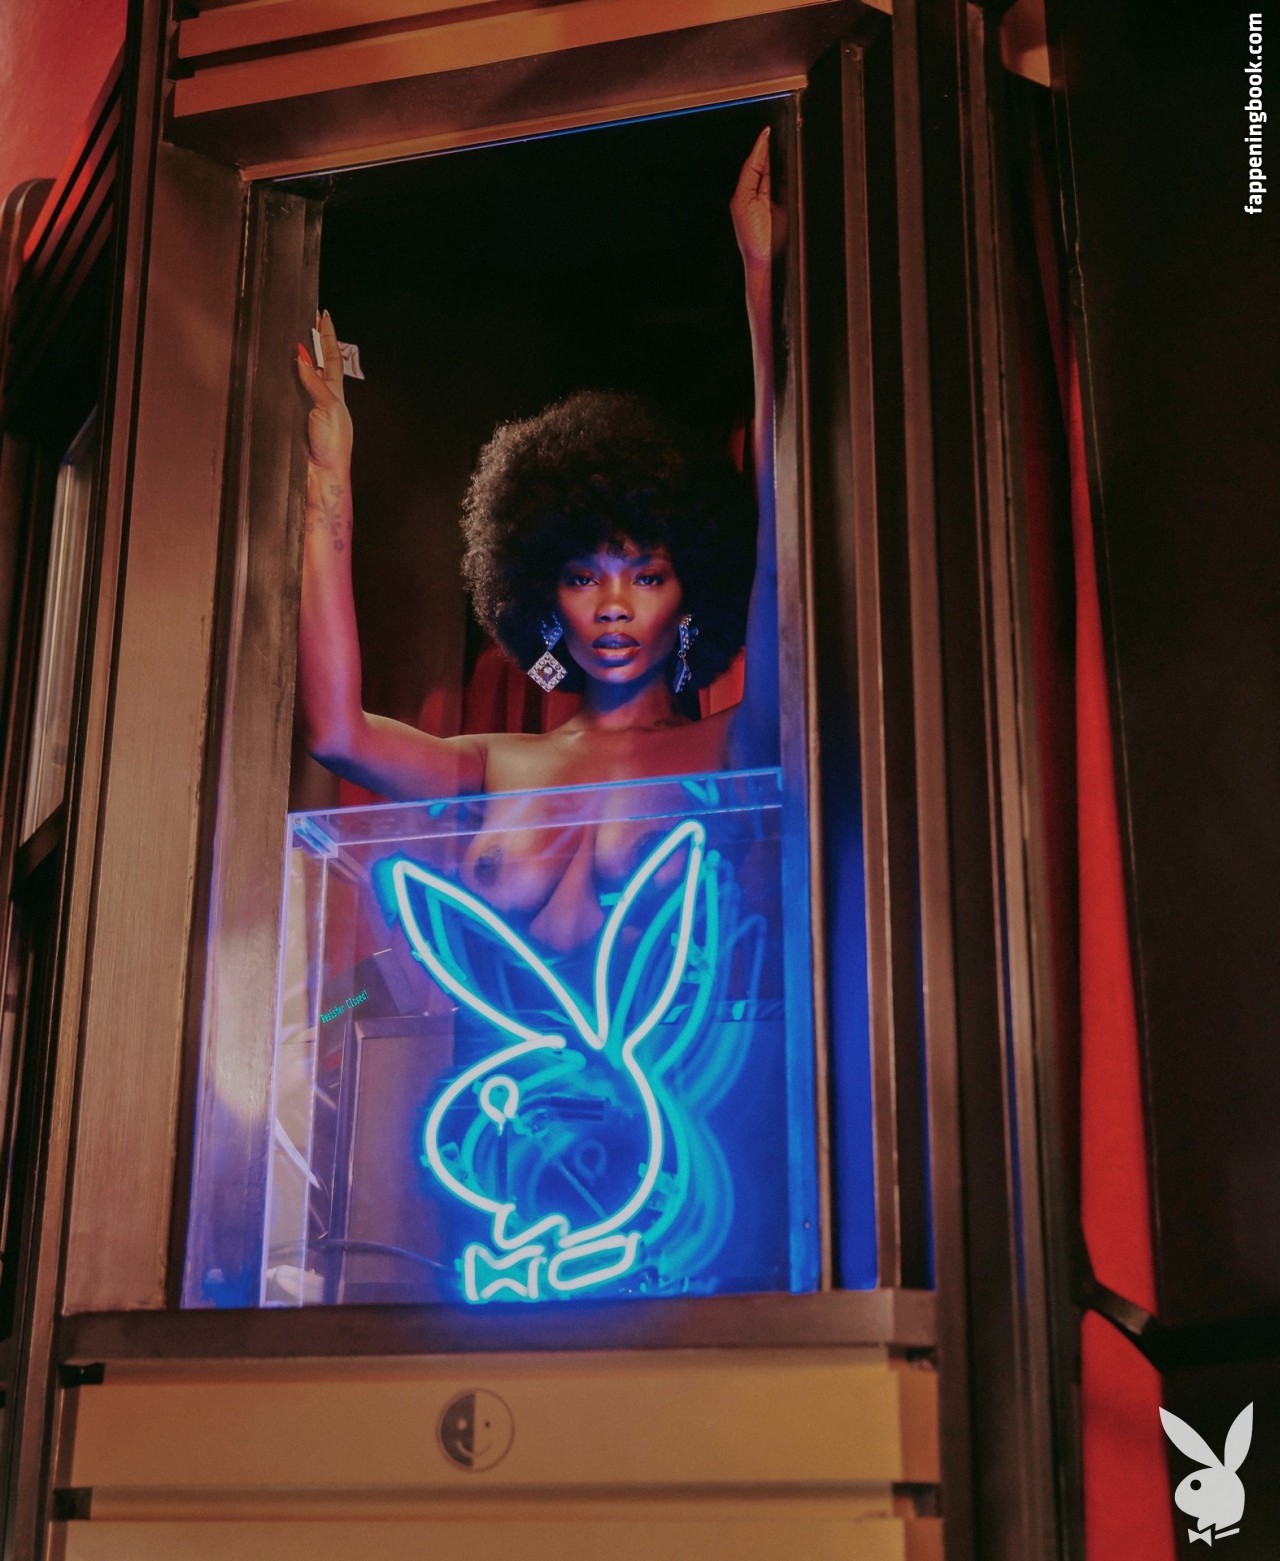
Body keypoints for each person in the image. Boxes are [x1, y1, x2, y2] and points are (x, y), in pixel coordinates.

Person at [296, 130, 781, 946]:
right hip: (486, 1041)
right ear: (543, 593)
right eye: (585, 577)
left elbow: (778, 541)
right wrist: (329, 476)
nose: (615, 606)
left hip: (684, 1040)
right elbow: (338, 733)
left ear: (693, 589)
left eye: (647, 576)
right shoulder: (496, 764)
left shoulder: (734, 742)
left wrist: (760, 281)